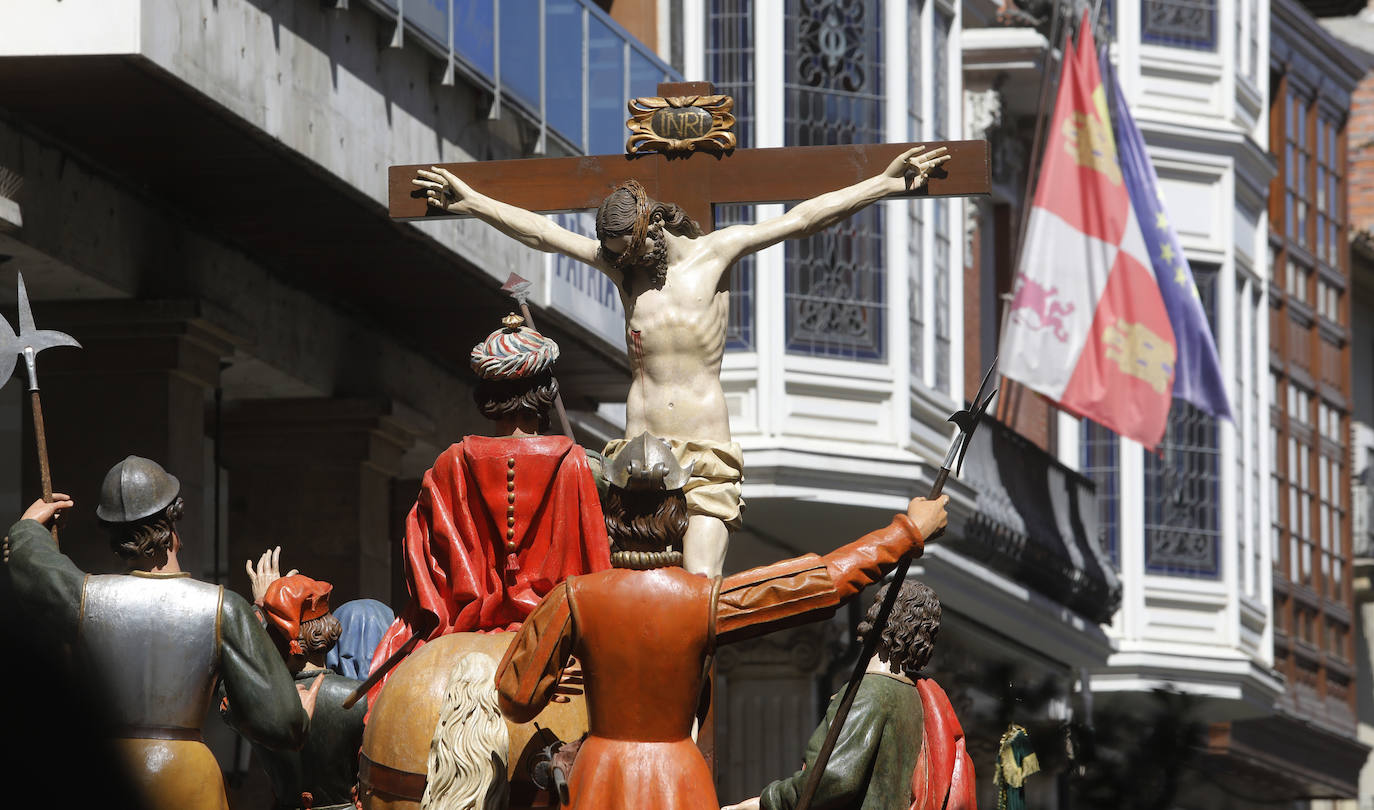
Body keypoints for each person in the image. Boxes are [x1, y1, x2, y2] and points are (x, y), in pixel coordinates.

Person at [413, 144, 952, 577]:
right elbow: (545, 233)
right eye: (614, 254)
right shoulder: (625, 270)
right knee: (624, 588)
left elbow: (803, 219)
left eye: (625, 250)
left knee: (697, 587)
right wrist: (472, 202)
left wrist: (883, 183)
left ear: (651, 229)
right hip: (635, 454)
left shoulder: (716, 254)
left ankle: (690, 716)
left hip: (703, 454)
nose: (617, 262)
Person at [494, 435, 950, 810]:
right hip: (679, 786)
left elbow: (516, 697)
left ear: (612, 509)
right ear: (677, 511)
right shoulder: (704, 601)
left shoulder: (574, 597)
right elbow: (821, 582)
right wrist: (906, 532)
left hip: (599, 783)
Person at [2, 456, 319, 810]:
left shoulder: (84, 597)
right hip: (187, 778)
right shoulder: (224, 608)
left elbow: (35, 569)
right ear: (174, 525)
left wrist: (28, 528)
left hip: (109, 776)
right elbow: (280, 723)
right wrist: (298, 714)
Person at [366, 314, 611, 707]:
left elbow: (426, 566)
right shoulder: (575, 462)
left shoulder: (450, 463)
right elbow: (596, 571)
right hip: (551, 638)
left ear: (487, 395)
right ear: (547, 390)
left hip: (463, 630)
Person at [724, 581, 977, 810]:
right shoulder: (914, 698)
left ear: (880, 617)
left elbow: (835, 778)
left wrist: (766, 802)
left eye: (876, 603)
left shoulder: (868, 692)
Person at [223, 572, 367, 810]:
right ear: (328, 627)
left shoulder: (260, 704)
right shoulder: (360, 699)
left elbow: (227, 689)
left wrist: (258, 613)